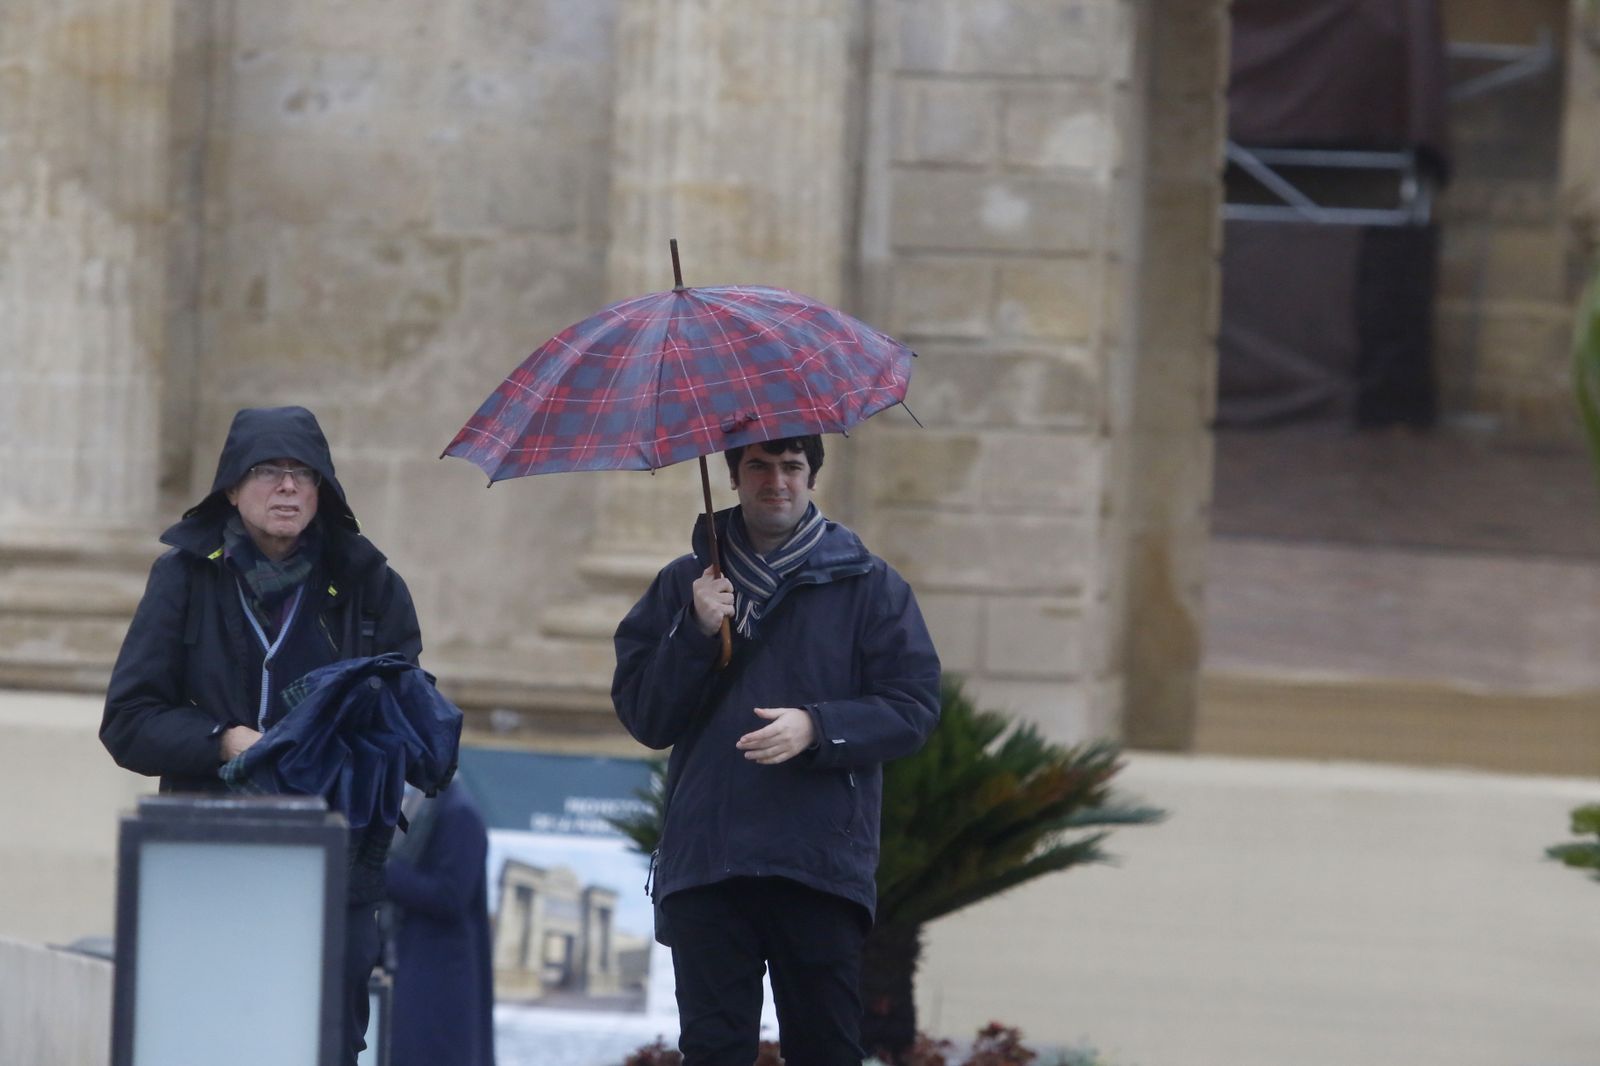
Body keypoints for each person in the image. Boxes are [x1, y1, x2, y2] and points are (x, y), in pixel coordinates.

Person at [101, 405, 425, 1066]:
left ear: (323, 489)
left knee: (325, 1043)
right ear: (230, 487)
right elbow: (128, 721)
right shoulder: (184, 578)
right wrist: (224, 740)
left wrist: (338, 740)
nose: (287, 488)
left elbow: (412, 721)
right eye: (269, 472)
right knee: (204, 1040)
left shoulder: (371, 585)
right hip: (209, 864)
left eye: (303, 474)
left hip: (334, 865)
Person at [612, 434, 941, 1066]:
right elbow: (646, 716)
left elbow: (913, 707)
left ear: (812, 476)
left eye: (791, 466)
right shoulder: (685, 585)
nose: (776, 482)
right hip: (710, 860)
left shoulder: (871, 586)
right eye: (758, 466)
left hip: (817, 861)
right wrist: (695, 630)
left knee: (826, 1048)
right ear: (732, 477)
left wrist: (818, 728)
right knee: (713, 1051)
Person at [383, 781, 496, 1066]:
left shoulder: (459, 813)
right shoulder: (426, 804)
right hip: (420, 966)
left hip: (441, 980)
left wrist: (380, 869)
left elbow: (451, 896)